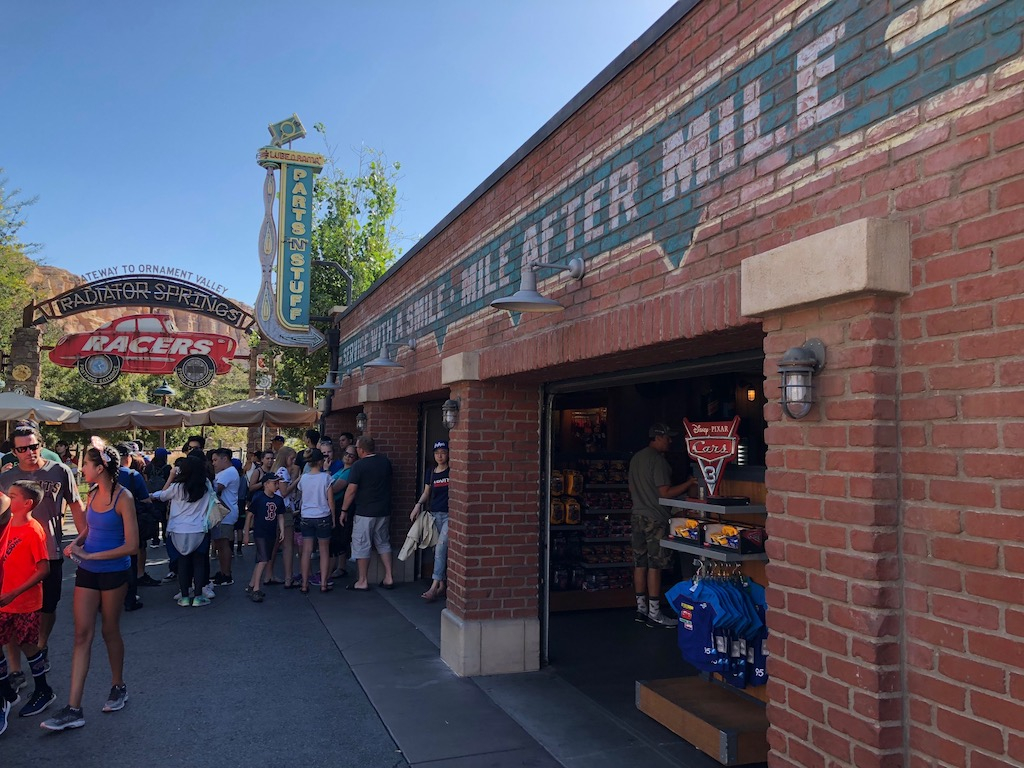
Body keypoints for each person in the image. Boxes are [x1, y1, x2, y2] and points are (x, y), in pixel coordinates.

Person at [41, 439, 140, 732]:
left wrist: (92, 555)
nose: (82, 468)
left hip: (113, 571)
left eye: (86, 463)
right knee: (81, 635)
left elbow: (132, 546)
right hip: (88, 569)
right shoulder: (94, 491)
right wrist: (77, 543)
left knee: (110, 630)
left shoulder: (124, 498)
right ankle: (74, 708)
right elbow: (90, 527)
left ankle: (118, 685)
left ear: (100, 468)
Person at [0, 421, 84, 702]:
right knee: (9, 613)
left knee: (48, 606)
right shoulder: (5, 477)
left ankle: (41, 646)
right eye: (22, 449)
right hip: (12, 554)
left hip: (49, 551)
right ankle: (15, 669)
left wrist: (82, 539)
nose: (29, 452)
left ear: (41, 445)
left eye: (34, 446)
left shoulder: (59, 471)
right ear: (14, 452)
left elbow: (75, 505)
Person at [628, 423, 696, 628]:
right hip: (655, 519)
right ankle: (655, 613)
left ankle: (641, 609)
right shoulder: (658, 461)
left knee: (640, 563)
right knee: (655, 565)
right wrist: (689, 483)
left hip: (637, 516)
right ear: (657, 437)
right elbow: (665, 493)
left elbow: (631, 488)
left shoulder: (636, 458)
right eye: (667, 437)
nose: (670, 441)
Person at [0, 481, 55, 729]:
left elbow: (44, 568)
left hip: (24, 602)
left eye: (12, 496)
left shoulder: (33, 530)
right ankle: (6, 695)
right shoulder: (9, 523)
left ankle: (43, 690)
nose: (6, 498)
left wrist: (15, 592)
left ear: (27, 503)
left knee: (28, 646)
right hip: (5, 600)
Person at [151, 455, 213, 607]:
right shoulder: (205, 484)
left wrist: (152, 494)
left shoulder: (177, 486)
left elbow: (163, 496)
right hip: (199, 529)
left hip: (178, 529)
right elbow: (213, 498)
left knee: (183, 562)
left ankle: (184, 596)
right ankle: (198, 596)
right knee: (199, 563)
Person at [340, 436, 395, 592]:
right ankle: (389, 577)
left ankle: (362, 580)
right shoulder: (385, 462)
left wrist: (344, 510)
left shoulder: (359, 465)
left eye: (357, 448)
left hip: (365, 512)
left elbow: (351, 491)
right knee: (383, 542)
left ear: (362, 450)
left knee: (362, 545)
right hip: (383, 511)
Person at [114, 444, 155, 610]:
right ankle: (130, 598)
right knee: (130, 557)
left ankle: (107, 598)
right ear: (127, 458)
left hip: (107, 524)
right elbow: (145, 499)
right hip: (131, 522)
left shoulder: (103, 473)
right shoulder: (133, 475)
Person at [410, 440, 450, 602]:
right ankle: (442, 584)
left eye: (443, 452)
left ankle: (434, 587)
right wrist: (418, 505)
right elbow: (427, 492)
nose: (440, 456)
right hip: (434, 514)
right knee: (437, 550)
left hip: (450, 515)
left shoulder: (452, 471)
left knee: (441, 548)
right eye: (437, 453)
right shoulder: (431, 472)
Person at [243, 476, 285, 603]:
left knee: (262, 559)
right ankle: (256, 588)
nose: (277, 485)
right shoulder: (259, 498)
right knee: (263, 559)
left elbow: (280, 516)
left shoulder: (278, 500)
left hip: (271, 532)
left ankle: (252, 585)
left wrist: (282, 530)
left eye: (278, 483)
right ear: (266, 484)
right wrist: (246, 533)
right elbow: (249, 515)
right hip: (260, 532)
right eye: (274, 483)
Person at [297, 449, 334, 594]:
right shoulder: (326, 478)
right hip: (323, 515)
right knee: (324, 550)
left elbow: (301, 496)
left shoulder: (303, 478)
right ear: (321, 462)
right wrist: (334, 517)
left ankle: (304, 584)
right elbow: (330, 500)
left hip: (306, 515)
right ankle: (324, 583)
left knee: (306, 551)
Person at [266, 447, 300, 587]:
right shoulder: (283, 471)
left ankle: (269, 575)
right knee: (287, 545)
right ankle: (288, 577)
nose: (293, 461)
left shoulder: (275, 471)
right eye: (291, 458)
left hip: (275, 509)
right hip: (284, 510)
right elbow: (285, 492)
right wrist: (297, 480)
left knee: (274, 545)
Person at [328, 445, 358, 580]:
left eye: (351, 455)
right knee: (334, 537)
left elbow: (334, 489)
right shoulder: (341, 469)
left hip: (341, 507)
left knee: (340, 536)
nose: (348, 456)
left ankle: (341, 567)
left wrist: (326, 472)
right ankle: (332, 566)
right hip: (332, 506)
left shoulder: (349, 472)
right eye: (346, 453)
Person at [210, 449, 239, 586]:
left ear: (225, 459)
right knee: (221, 544)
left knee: (224, 544)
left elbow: (215, 489)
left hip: (225, 513)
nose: (213, 463)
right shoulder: (226, 472)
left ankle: (226, 574)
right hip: (224, 513)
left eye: (215, 460)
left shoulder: (229, 473)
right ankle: (223, 572)